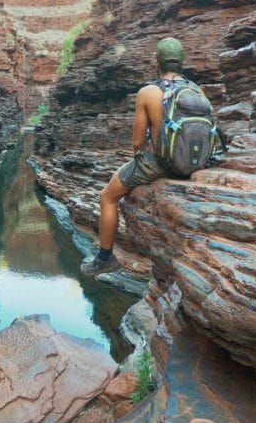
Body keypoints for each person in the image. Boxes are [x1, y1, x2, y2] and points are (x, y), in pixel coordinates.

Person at [80, 37, 190, 277]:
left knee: (108, 196)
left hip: (163, 163)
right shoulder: (195, 90)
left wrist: (140, 160)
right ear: (182, 62)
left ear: (156, 62)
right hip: (194, 162)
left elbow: (138, 142)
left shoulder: (150, 92)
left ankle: (105, 258)